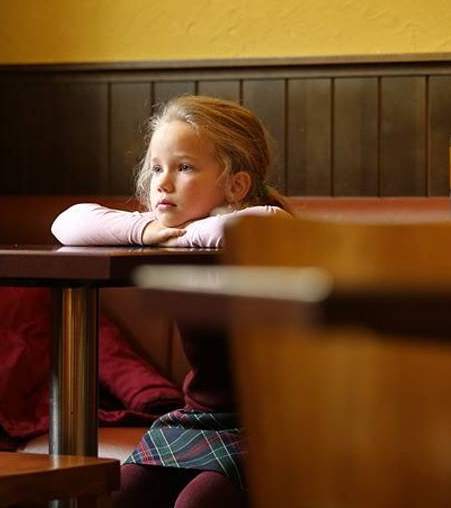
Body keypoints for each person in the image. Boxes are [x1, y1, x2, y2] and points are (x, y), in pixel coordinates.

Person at [51, 95, 292, 508]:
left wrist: (178, 236)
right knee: (122, 494)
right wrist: (145, 230)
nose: (163, 183)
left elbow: (266, 221)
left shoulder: (264, 234)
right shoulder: (164, 231)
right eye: (156, 168)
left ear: (236, 185)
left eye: (184, 168)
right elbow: (67, 223)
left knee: (196, 504)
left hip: (275, 424)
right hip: (199, 418)